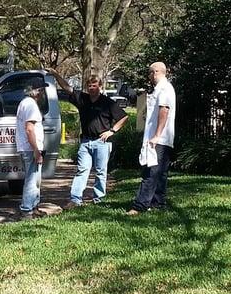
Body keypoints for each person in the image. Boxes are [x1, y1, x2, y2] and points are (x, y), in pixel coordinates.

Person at [47, 68, 128, 207]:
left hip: (102, 142)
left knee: (101, 172)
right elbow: (67, 88)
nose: (91, 88)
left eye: (94, 85)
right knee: (82, 170)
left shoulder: (107, 102)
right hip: (85, 141)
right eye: (89, 86)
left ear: (100, 87)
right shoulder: (82, 99)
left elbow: (124, 117)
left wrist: (112, 131)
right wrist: (55, 75)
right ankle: (75, 200)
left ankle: (99, 200)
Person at [127, 62, 176, 215]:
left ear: (155, 72)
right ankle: (158, 202)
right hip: (162, 138)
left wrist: (156, 135)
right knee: (161, 172)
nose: (149, 77)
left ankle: (139, 205)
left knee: (151, 171)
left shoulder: (165, 89)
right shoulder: (161, 89)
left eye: (149, 73)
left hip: (159, 139)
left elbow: (164, 110)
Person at [16, 77, 48, 220]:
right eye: (41, 90)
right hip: (30, 148)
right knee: (31, 179)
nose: (42, 93)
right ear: (36, 91)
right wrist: (36, 150)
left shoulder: (24, 103)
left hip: (27, 147)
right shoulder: (31, 105)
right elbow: (30, 129)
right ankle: (26, 209)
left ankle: (34, 207)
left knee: (35, 178)